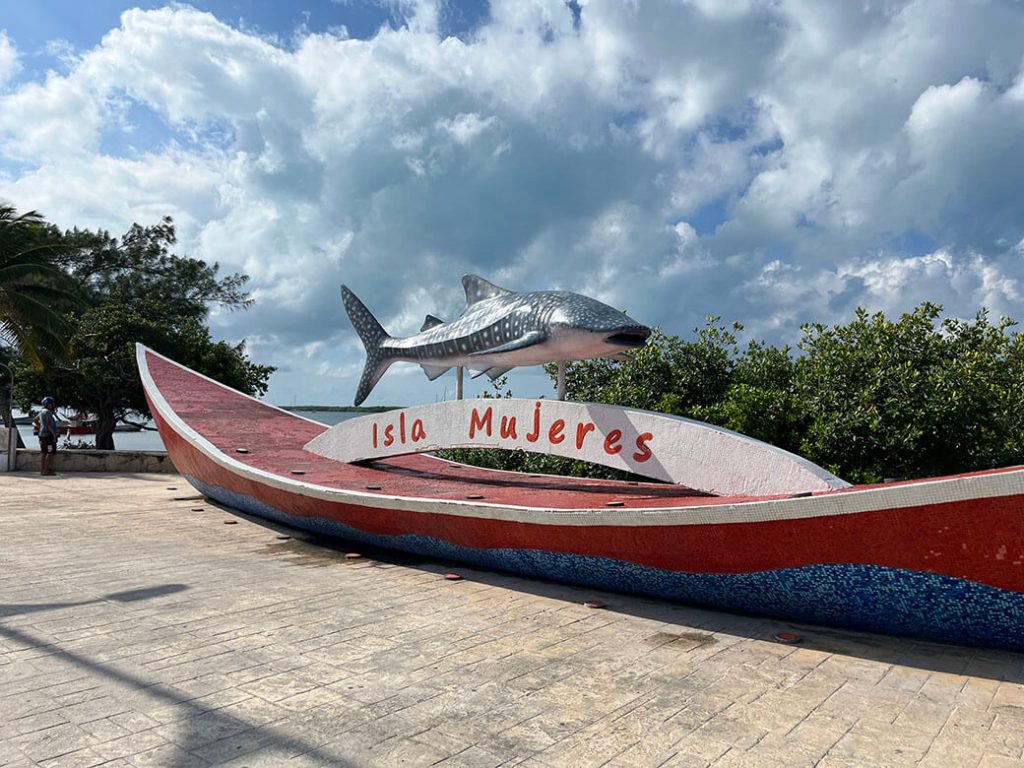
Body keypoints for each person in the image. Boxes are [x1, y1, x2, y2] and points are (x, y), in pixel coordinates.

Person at [34, 396, 59, 476]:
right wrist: (54, 435)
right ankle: (46, 470)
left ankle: (42, 470)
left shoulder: (41, 411)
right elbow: (49, 425)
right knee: (49, 452)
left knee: (43, 452)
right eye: (52, 403)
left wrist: (40, 427)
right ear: (48, 404)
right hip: (48, 436)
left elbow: (35, 420)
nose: (53, 404)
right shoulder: (48, 412)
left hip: (41, 435)